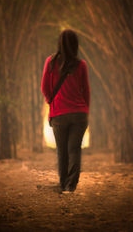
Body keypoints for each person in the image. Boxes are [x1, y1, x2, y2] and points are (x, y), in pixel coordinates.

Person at [41, 29, 90, 193]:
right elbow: (86, 91)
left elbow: (44, 88)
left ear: (59, 43)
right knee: (74, 149)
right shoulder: (81, 65)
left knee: (62, 151)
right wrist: (85, 110)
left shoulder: (50, 62)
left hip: (59, 115)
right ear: (76, 44)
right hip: (79, 114)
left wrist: (52, 102)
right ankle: (71, 185)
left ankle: (63, 184)